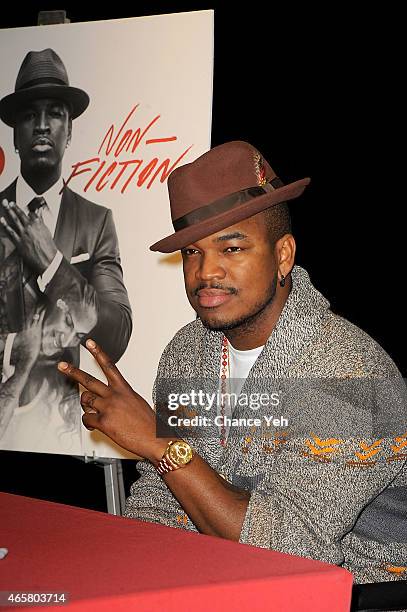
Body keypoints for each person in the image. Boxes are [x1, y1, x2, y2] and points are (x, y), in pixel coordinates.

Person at [58, 141, 406, 583]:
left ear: (283, 255)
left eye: (232, 248)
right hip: (223, 581)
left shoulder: (348, 374)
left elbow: (288, 549)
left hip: (360, 595)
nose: (206, 273)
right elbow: (162, 500)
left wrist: (159, 443)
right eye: (192, 251)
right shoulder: (187, 351)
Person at [0, 49, 132, 446]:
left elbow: (117, 333)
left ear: (70, 130)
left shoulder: (96, 221)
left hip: (68, 440)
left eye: (55, 113)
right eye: (29, 115)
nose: (42, 125)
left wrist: (54, 265)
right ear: (15, 136)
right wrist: (14, 348)